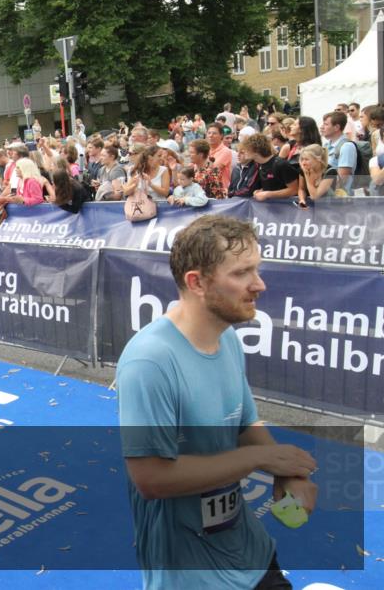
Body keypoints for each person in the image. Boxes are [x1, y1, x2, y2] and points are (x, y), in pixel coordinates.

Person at [117, 215, 317, 590]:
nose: (259, 284)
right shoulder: (150, 361)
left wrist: (286, 472)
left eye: (256, 269)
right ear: (197, 282)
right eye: (242, 273)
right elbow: (150, 478)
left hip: (251, 554)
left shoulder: (228, 339)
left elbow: (244, 423)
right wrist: (258, 460)